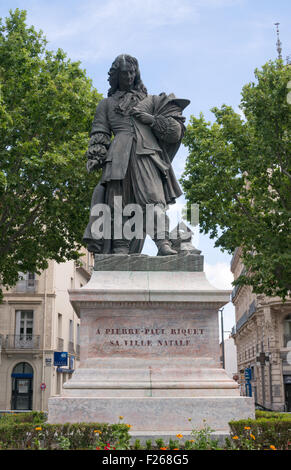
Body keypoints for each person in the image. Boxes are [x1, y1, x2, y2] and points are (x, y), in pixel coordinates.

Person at [83, 54, 190, 256]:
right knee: (118, 204)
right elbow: (100, 133)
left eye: (132, 72)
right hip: (118, 157)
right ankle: (120, 248)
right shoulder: (105, 105)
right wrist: (95, 156)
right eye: (124, 73)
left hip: (147, 154)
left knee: (154, 199)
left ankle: (163, 243)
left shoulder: (152, 101)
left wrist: (152, 120)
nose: (129, 76)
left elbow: (175, 132)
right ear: (116, 75)